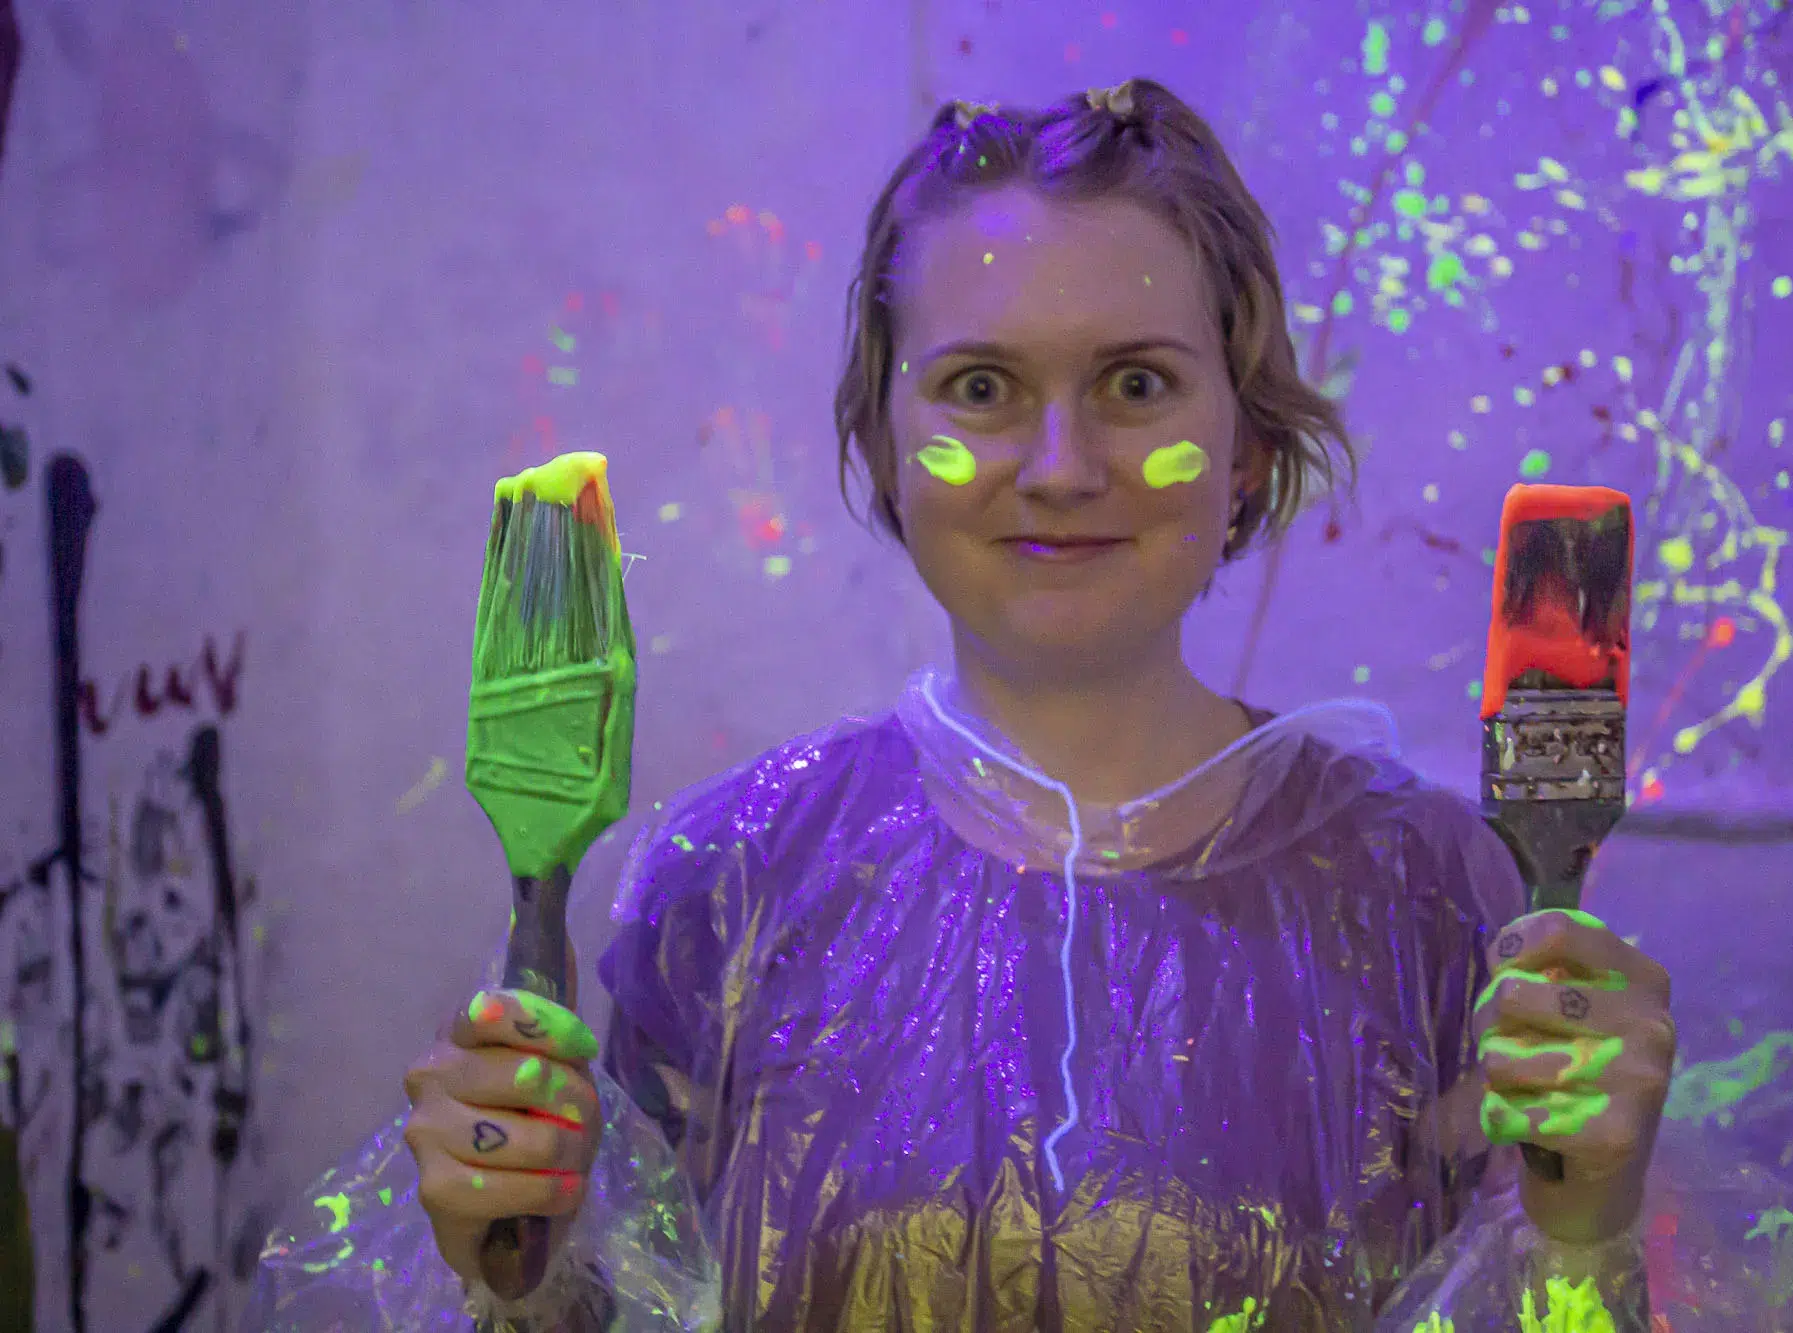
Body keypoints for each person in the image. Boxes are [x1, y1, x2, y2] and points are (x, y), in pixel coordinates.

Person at [390, 78, 1682, 1331]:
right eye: (982, 388)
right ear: (883, 446)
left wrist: (1584, 1232)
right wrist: (522, 1280)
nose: (1061, 470)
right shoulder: (727, 879)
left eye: (1136, 385)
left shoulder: (1439, 894)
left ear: (1248, 450)